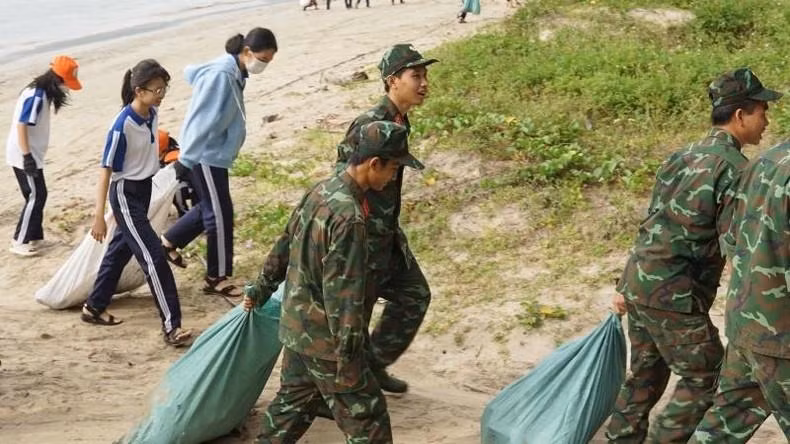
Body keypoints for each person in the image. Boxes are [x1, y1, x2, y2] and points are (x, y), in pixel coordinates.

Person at [606, 68, 781, 443]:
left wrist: (624, 283)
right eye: (762, 111)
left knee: (644, 376)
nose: (767, 121)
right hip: (676, 294)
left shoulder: (680, 155)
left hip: (641, 284)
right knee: (707, 377)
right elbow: (739, 242)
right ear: (740, 115)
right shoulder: (736, 169)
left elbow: (651, 222)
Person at [245, 120, 423, 444]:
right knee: (369, 423)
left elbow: (284, 243)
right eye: (394, 169)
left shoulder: (319, 191)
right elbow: (344, 294)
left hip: (297, 328)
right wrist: (349, 354)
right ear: (373, 164)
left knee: (289, 411)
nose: (394, 177)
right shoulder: (350, 218)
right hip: (326, 342)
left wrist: (261, 286)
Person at [333, 43, 436, 393]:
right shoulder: (369, 124)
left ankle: (372, 364)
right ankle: (336, 387)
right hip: (361, 238)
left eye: (425, 76)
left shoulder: (400, 120)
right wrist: (354, 236)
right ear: (393, 80)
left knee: (415, 294)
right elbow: (342, 182)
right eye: (416, 76)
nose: (424, 83)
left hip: (386, 235)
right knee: (354, 316)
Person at [689, 113, 790, 442]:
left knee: (717, 432)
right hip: (783, 341)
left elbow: (730, 239)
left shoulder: (764, 162)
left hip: (746, 325)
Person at [79, 59, 192, 348]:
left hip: (143, 191)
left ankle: (93, 307)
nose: (161, 95)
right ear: (138, 91)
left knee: (119, 251)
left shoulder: (152, 114)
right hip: (125, 195)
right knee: (153, 256)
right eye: (156, 90)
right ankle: (172, 326)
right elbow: (106, 171)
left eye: (164, 89)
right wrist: (99, 217)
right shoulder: (121, 127)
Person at [160, 28, 278, 297]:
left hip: (215, 155)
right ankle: (217, 277)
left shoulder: (236, 73)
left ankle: (169, 241)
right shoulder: (221, 75)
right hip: (205, 155)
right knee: (220, 213)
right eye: (263, 58)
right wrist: (187, 158)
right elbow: (201, 119)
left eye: (269, 61)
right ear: (246, 52)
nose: (264, 65)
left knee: (209, 206)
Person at [5, 55, 81, 257]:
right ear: (58, 80)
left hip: (31, 152)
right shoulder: (36, 96)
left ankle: (34, 236)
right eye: (67, 84)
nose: (67, 89)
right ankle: (19, 241)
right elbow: (22, 126)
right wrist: (27, 156)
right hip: (23, 153)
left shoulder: (43, 93)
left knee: (38, 194)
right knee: (35, 195)